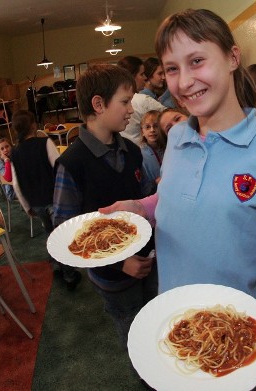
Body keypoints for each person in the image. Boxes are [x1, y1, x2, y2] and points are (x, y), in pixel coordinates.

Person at [100, 8, 256, 344]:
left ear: (232, 57)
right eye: (172, 69)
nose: (185, 81)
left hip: (230, 325)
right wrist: (140, 207)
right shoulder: (176, 137)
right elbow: (174, 195)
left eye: (196, 61)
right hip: (170, 313)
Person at [53, 64, 157, 347]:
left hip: (149, 260)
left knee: (157, 322)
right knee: (134, 333)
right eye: (125, 102)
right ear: (98, 104)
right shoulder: (72, 163)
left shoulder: (134, 152)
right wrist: (121, 262)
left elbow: (144, 199)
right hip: (113, 275)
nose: (131, 111)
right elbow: (66, 232)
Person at [9, 110, 80, 290]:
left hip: (35, 202)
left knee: (50, 234)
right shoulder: (45, 143)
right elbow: (59, 169)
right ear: (33, 125)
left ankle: (57, 265)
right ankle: (69, 275)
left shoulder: (14, 153)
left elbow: (15, 184)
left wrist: (26, 206)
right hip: (53, 199)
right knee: (61, 236)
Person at [118, 56, 166, 146]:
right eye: (142, 74)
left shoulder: (114, 101)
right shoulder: (143, 100)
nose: (145, 77)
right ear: (131, 76)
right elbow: (169, 116)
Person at [139, 110, 166, 195]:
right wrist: (155, 182)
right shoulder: (139, 154)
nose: (152, 130)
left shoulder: (169, 148)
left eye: (156, 126)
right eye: (147, 127)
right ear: (142, 132)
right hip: (152, 195)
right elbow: (141, 186)